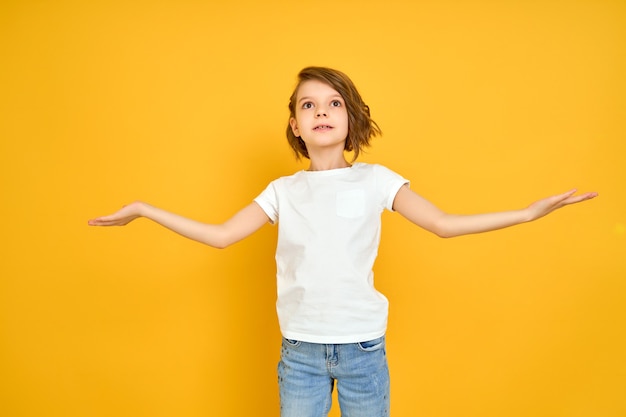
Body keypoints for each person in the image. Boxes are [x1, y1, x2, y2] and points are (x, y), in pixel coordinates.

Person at [88, 66, 597, 417]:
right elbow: (221, 236)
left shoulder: (375, 180)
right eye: (308, 105)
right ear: (295, 125)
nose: (321, 111)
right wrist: (144, 210)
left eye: (334, 103)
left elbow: (443, 223)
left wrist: (528, 214)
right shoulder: (282, 191)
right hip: (300, 353)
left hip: (362, 349)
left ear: (350, 117)